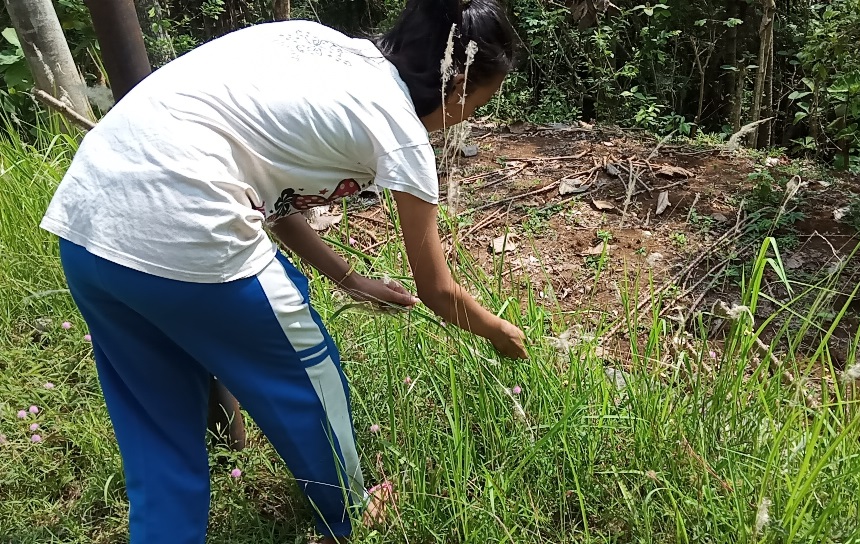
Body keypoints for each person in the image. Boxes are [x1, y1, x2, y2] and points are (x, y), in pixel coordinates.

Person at [39, 0, 528, 542]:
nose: (470, 117)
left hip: (88, 227)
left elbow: (274, 197)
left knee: (158, 436)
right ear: (457, 86)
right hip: (186, 229)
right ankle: (350, 509)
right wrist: (497, 331)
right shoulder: (400, 130)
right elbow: (437, 290)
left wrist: (348, 277)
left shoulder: (315, 46)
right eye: (478, 104)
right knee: (309, 377)